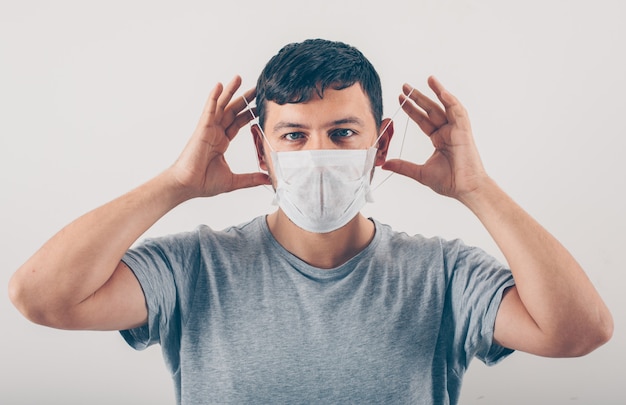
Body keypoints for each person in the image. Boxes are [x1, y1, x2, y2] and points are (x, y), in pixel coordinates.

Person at [9, 39, 613, 404]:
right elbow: (42, 298)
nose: (317, 154)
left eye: (342, 133)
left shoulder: (442, 274)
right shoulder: (196, 267)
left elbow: (578, 333)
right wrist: (174, 185)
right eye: (293, 135)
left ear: (380, 146)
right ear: (259, 149)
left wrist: (478, 190)